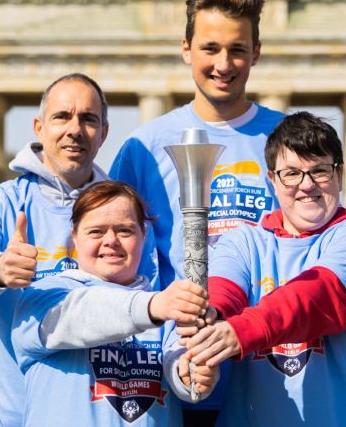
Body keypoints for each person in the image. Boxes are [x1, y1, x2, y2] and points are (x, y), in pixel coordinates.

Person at [109, 0, 285, 426]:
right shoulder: (143, 147)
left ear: (256, 51)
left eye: (237, 49)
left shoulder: (288, 139)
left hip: (268, 373)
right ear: (186, 48)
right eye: (210, 48)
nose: (224, 64)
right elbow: (112, 263)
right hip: (174, 370)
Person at [183, 112, 346, 426]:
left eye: (319, 171)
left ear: (340, 175)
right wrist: (208, 322)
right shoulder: (242, 241)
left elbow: (322, 295)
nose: (306, 185)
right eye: (291, 173)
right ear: (272, 180)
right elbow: (223, 293)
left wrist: (240, 331)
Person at [0, 73, 120, 427]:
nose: (75, 129)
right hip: (15, 415)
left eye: (88, 119)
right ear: (39, 127)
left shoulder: (121, 212)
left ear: (103, 133)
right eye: (62, 116)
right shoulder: (3, 202)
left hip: (95, 414)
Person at [12, 181, 218, 426]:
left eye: (125, 230)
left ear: (143, 235)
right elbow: (81, 314)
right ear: (74, 237)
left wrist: (192, 376)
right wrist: (153, 307)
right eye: (96, 232)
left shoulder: (166, 309)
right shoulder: (44, 294)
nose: (111, 240)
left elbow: (179, 365)